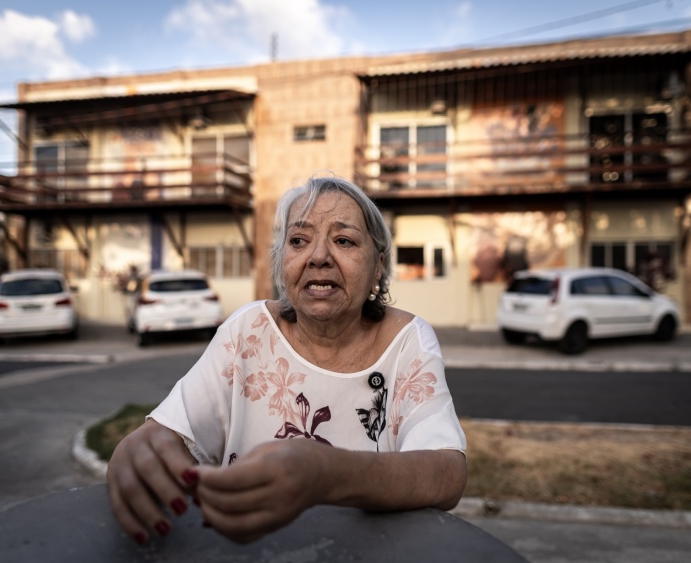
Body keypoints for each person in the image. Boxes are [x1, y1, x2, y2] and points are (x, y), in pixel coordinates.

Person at [106, 176, 467, 546]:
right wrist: (143, 447)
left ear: (378, 267)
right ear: (282, 263)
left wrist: (327, 474)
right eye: (298, 241)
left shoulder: (407, 340)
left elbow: (446, 472)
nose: (319, 257)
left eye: (343, 240)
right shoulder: (248, 330)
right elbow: (173, 435)